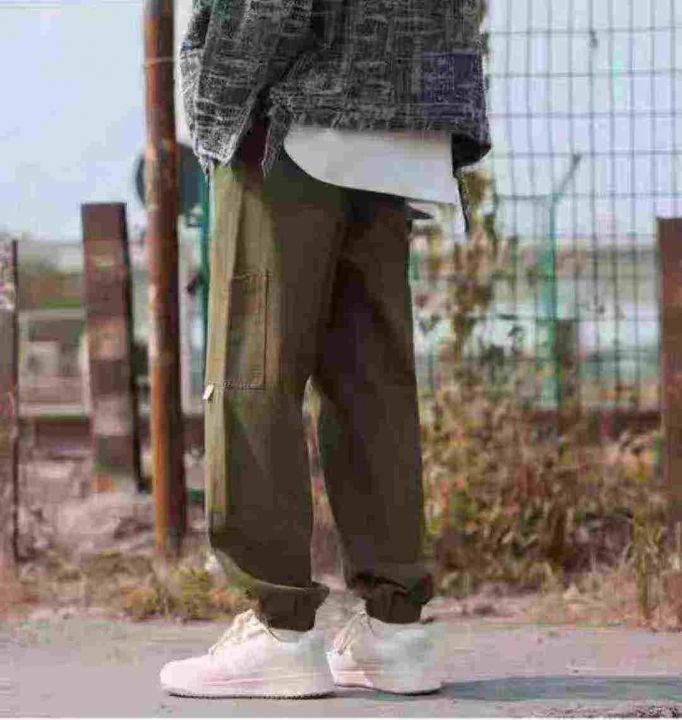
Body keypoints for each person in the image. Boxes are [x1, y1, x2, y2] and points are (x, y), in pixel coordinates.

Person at [160, 0, 491, 699]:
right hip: (404, 108)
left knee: (254, 374)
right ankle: (396, 631)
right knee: (372, 382)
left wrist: (220, 98)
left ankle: (279, 628)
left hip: (291, 112)